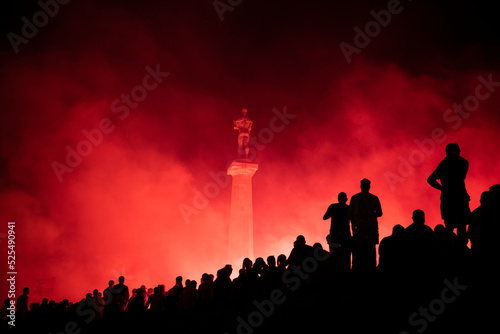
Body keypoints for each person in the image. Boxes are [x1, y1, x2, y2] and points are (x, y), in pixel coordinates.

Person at [427, 143, 471, 246]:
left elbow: (431, 179)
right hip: (459, 197)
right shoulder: (463, 162)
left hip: (449, 199)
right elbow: (430, 179)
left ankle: (450, 248)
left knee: (450, 227)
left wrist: (442, 188)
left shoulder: (444, 164)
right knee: (461, 226)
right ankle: (460, 249)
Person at [349, 178, 382, 273]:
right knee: (371, 253)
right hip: (371, 229)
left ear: (361, 186)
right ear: (369, 187)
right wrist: (371, 215)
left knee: (358, 253)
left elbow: (350, 216)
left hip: (358, 230)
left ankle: (357, 273)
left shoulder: (354, 198)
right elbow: (379, 213)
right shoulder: (374, 198)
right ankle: (371, 272)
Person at [323, 192, 352, 272]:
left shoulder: (333, 207)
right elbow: (353, 220)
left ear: (338, 199)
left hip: (335, 236)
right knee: (346, 257)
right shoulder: (348, 208)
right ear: (346, 199)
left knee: (334, 255)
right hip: (346, 236)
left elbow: (325, 217)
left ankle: (335, 273)